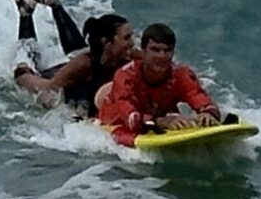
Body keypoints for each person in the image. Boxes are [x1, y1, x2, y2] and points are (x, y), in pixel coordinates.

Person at [3, 0, 138, 115]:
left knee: (80, 51)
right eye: (126, 38)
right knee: (30, 63)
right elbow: (47, 88)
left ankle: (52, 2)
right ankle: (25, 11)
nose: (132, 43)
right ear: (107, 42)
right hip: (49, 77)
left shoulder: (128, 57)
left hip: (81, 66)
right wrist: (22, 76)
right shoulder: (84, 64)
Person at [94, 23, 224, 142]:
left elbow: (200, 98)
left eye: (167, 50)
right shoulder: (125, 76)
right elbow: (131, 119)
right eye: (155, 50)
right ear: (143, 51)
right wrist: (159, 121)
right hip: (115, 123)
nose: (161, 56)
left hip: (153, 120)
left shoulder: (181, 75)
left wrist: (208, 114)